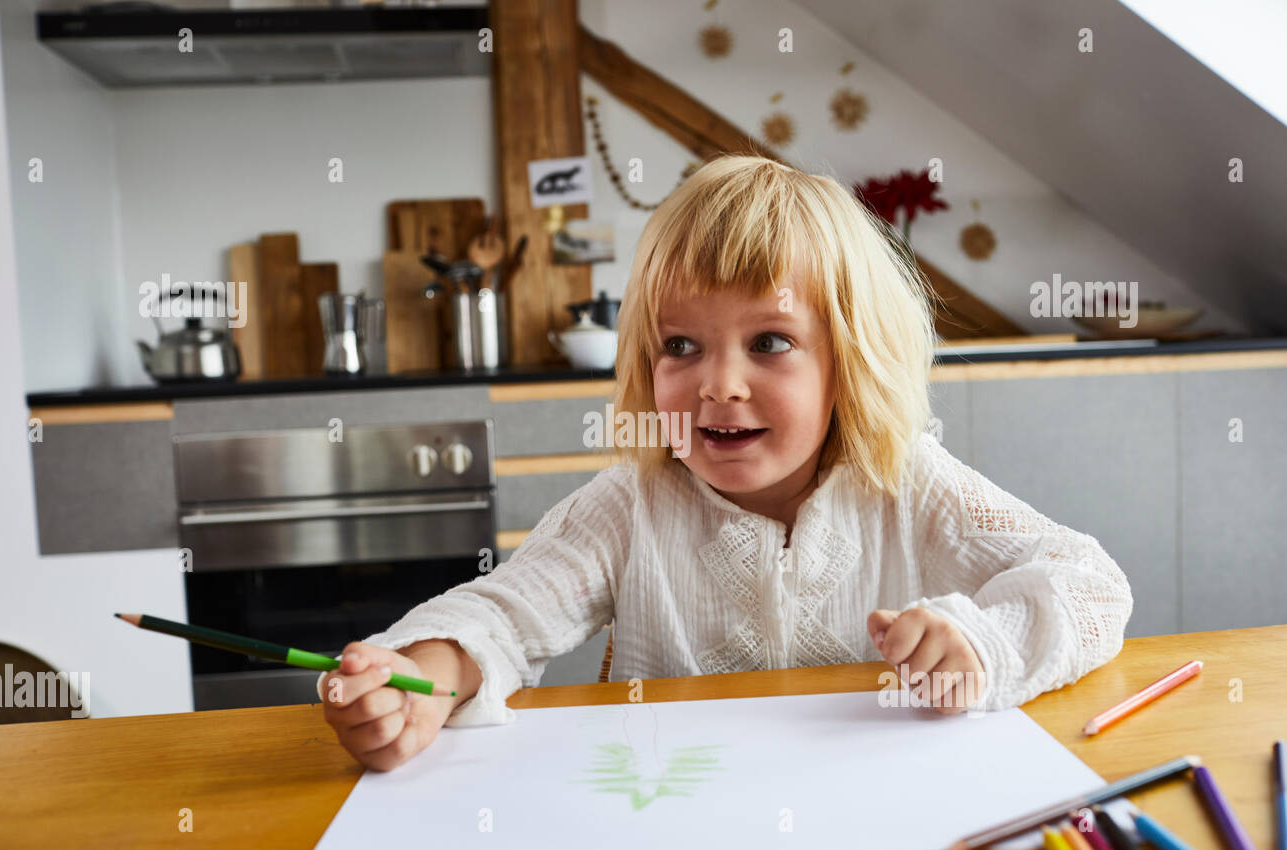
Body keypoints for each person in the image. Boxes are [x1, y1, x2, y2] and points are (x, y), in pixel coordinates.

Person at [319, 154, 1133, 771]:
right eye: (680, 346)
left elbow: (1091, 584)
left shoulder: (911, 483)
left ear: (850, 363)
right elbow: (502, 615)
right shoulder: (628, 506)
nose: (718, 384)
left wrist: (983, 644)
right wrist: (420, 679)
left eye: (769, 342)